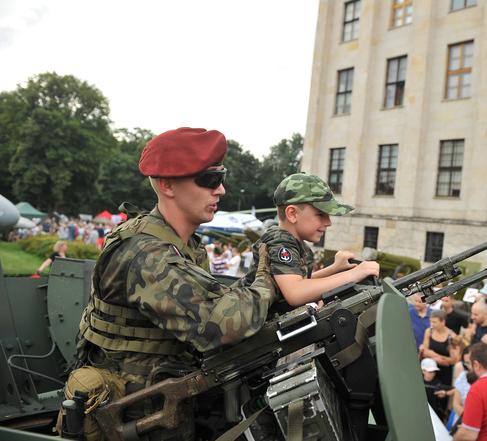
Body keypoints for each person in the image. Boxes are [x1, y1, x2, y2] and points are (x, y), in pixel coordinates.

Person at [61, 128, 276, 440]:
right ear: (166, 185)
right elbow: (224, 325)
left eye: (221, 178)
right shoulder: (146, 254)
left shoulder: (179, 244)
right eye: (210, 180)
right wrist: (268, 281)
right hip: (136, 419)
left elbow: (211, 298)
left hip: (160, 407)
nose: (221, 191)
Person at [236, 173, 379, 314]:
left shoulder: (298, 245)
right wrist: (355, 274)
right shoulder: (280, 242)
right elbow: (295, 292)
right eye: (321, 214)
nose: (328, 222)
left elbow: (301, 282)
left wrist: (334, 269)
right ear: (292, 214)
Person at [420, 310, 458, 411]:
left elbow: (454, 360)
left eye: (434, 322)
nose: (431, 325)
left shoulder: (452, 336)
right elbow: (425, 350)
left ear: (443, 322)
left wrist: (434, 356)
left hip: (444, 372)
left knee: (441, 396)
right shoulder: (429, 331)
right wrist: (437, 357)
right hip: (430, 369)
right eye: (431, 321)